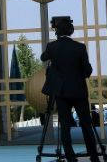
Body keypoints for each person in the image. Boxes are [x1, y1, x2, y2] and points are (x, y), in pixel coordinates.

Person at [41, 17, 100, 162]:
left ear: (57, 32)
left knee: (65, 125)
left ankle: (70, 157)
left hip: (61, 92)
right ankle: (94, 156)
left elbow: (43, 57)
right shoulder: (80, 47)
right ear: (71, 32)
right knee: (86, 124)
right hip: (79, 91)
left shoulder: (52, 47)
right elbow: (87, 70)